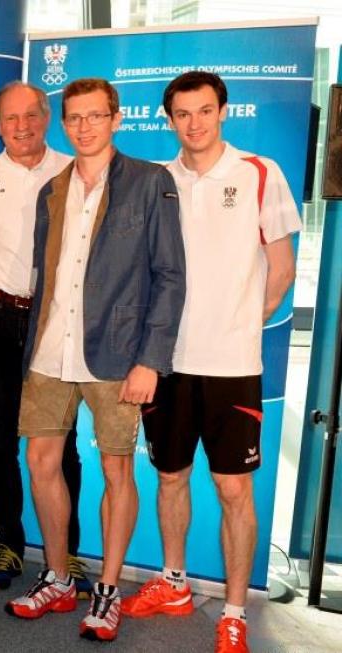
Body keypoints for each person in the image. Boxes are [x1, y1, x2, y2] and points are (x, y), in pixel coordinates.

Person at [121, 71, 299, 653]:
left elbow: (282, 268)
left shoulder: (259, 172)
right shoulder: (156, 180)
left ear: (223, 111)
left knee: (232, 489)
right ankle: (173, 582)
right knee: (170, 476)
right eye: (182, 114)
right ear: (169, 120)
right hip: (166, 363)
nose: (193, 123)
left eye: (204, 111)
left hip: (231, 364)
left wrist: (240, 324)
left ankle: (235, 609)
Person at [5, 78, 185, 644]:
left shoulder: (151, 182)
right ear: (64, 123)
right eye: (74, 118)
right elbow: (46, 271)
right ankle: (58, 577)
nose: (84, 127)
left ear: (115, 119)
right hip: (50, 348)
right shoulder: (52, 190)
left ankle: (106, 590)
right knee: (40, 462)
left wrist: (150, 359)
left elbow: (170, 275)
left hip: (120, 353)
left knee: (114, 469)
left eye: (95, 116)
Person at [0, 82, 91, 597]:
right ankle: (10, 543)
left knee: (63, 443)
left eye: (31, 116)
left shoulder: (72, 170)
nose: (21, 126)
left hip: (56, 320)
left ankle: (70, 554)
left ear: (47, 118)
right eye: (10, 118)